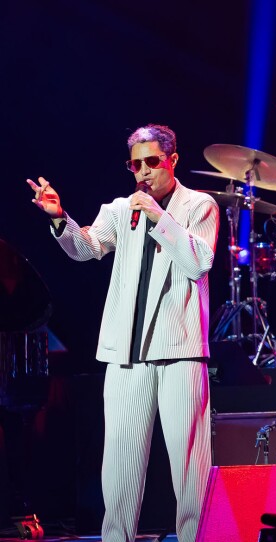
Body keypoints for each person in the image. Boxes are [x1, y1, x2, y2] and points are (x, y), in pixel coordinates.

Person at [27, 124, 220, 542]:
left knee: (191, 469)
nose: (144, 171)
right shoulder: (119, 209)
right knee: (119, 468)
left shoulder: (199, 205)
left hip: (180, 351)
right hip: (125, 354)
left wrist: (159, 216)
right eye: (136, 165)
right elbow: (86, 248)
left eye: (152, 162)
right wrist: (60, 218)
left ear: (172, 160)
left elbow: (197, 263)